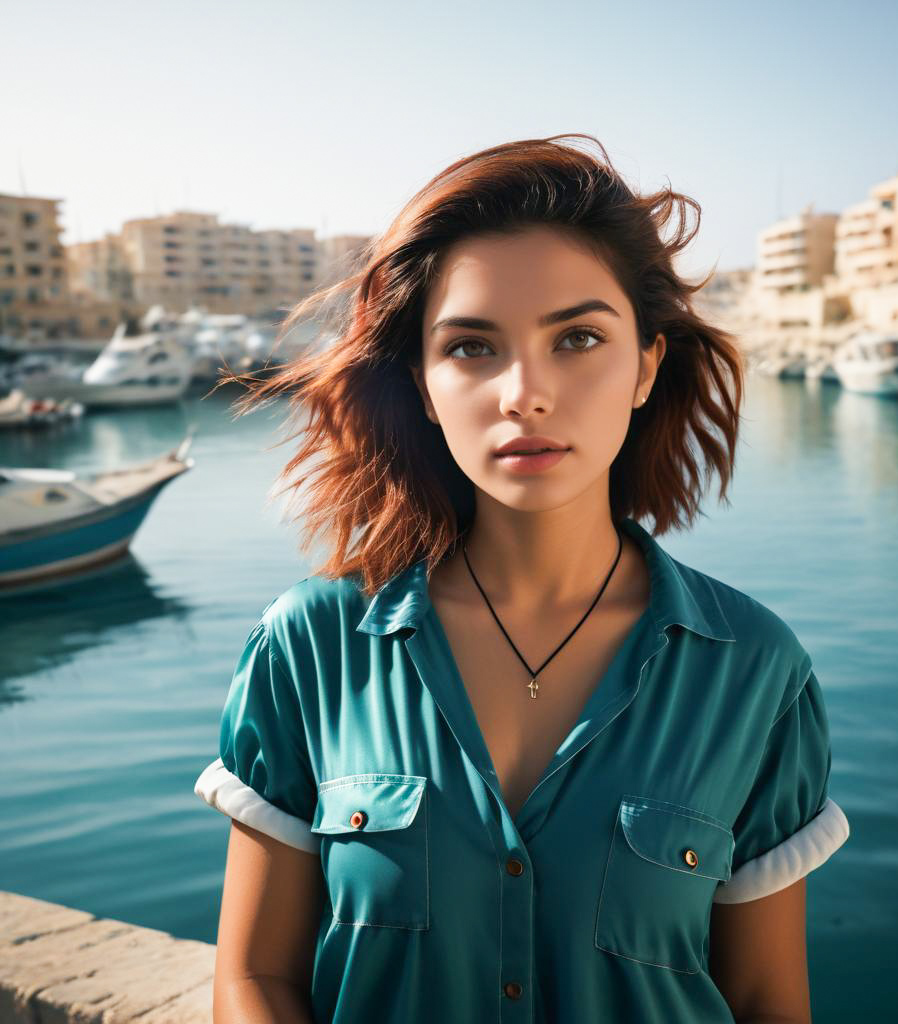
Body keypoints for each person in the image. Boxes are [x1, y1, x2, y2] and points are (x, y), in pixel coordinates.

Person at [194, 133, 850, 1024]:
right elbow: (254, 978)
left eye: (577, 337)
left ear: (647, 364)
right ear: (422, 385)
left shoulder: (755, 669)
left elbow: (768, 998)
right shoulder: (310, 648)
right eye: (471, 347)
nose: (523, 393)